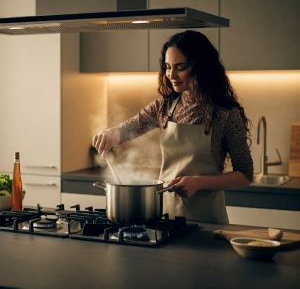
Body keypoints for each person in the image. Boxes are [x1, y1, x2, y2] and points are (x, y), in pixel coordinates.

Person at [92, 30, 253, 224]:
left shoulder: (226, 114)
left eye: (180, 67)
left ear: (200, 67)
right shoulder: (165, 106)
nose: (171, 75)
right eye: (168, 67)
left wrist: (199, 183)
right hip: (165, 217)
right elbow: (131, 128)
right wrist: (110, 134)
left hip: (206, 221)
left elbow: (244, 175)